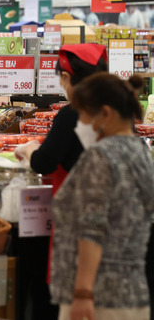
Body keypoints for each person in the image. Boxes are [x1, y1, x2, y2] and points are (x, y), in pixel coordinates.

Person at [13, 43, 108, 320]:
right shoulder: (113, 111)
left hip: (76, 217)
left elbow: (45, 162)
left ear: (67, 78)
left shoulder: (72, 113)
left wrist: (30, 149)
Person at [51, 73, 154, 320]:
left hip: (97, 299)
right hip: (132, 292)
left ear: (105, 115)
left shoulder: (99, 157)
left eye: (83, 114)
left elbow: (91, 228)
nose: (80, 123)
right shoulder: (141, 151)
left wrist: (83, 294)